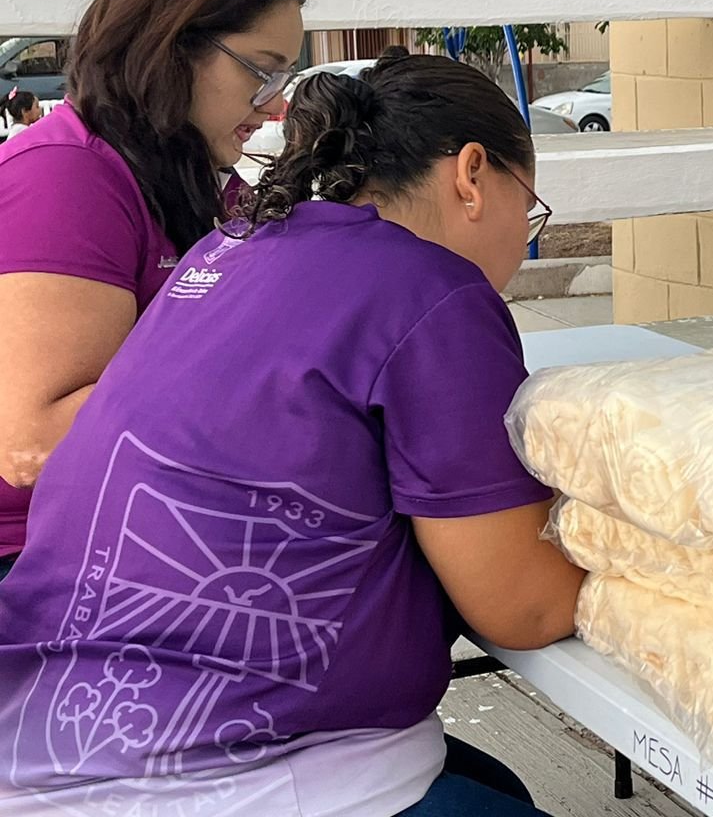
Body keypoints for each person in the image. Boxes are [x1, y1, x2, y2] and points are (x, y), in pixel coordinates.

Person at [0, 49, 583, 814]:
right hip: (220, 770)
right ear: (472, 174)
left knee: (497, 785)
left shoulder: (227, 248)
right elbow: (526, 609)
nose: (522, 239)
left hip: (45, 722)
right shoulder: (433, 289)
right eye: (528, 206)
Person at [0, 0, 305, 577]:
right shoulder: (66, 176)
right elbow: (32, 443)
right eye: (262, 72)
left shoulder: (191, 179)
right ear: (172, 45)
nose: (275, 104)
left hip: (141, 520)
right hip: (39, 553)